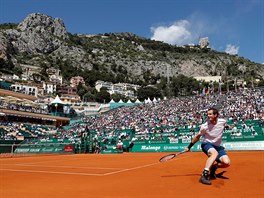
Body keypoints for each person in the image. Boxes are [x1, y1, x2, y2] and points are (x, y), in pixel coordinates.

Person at [186, 107, 234, 185]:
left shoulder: (222, 121)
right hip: (207, 144)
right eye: (208, 114)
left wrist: (229, 127)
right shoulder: (204, 126)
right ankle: (204, 175)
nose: (208, 116)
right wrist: (189, 146)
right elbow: (197, 137)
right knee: (214, 153)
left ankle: (214, 167)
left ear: (216, 115)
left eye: (210, 114)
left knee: (226, 163)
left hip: (218, 147)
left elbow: (225, 125)